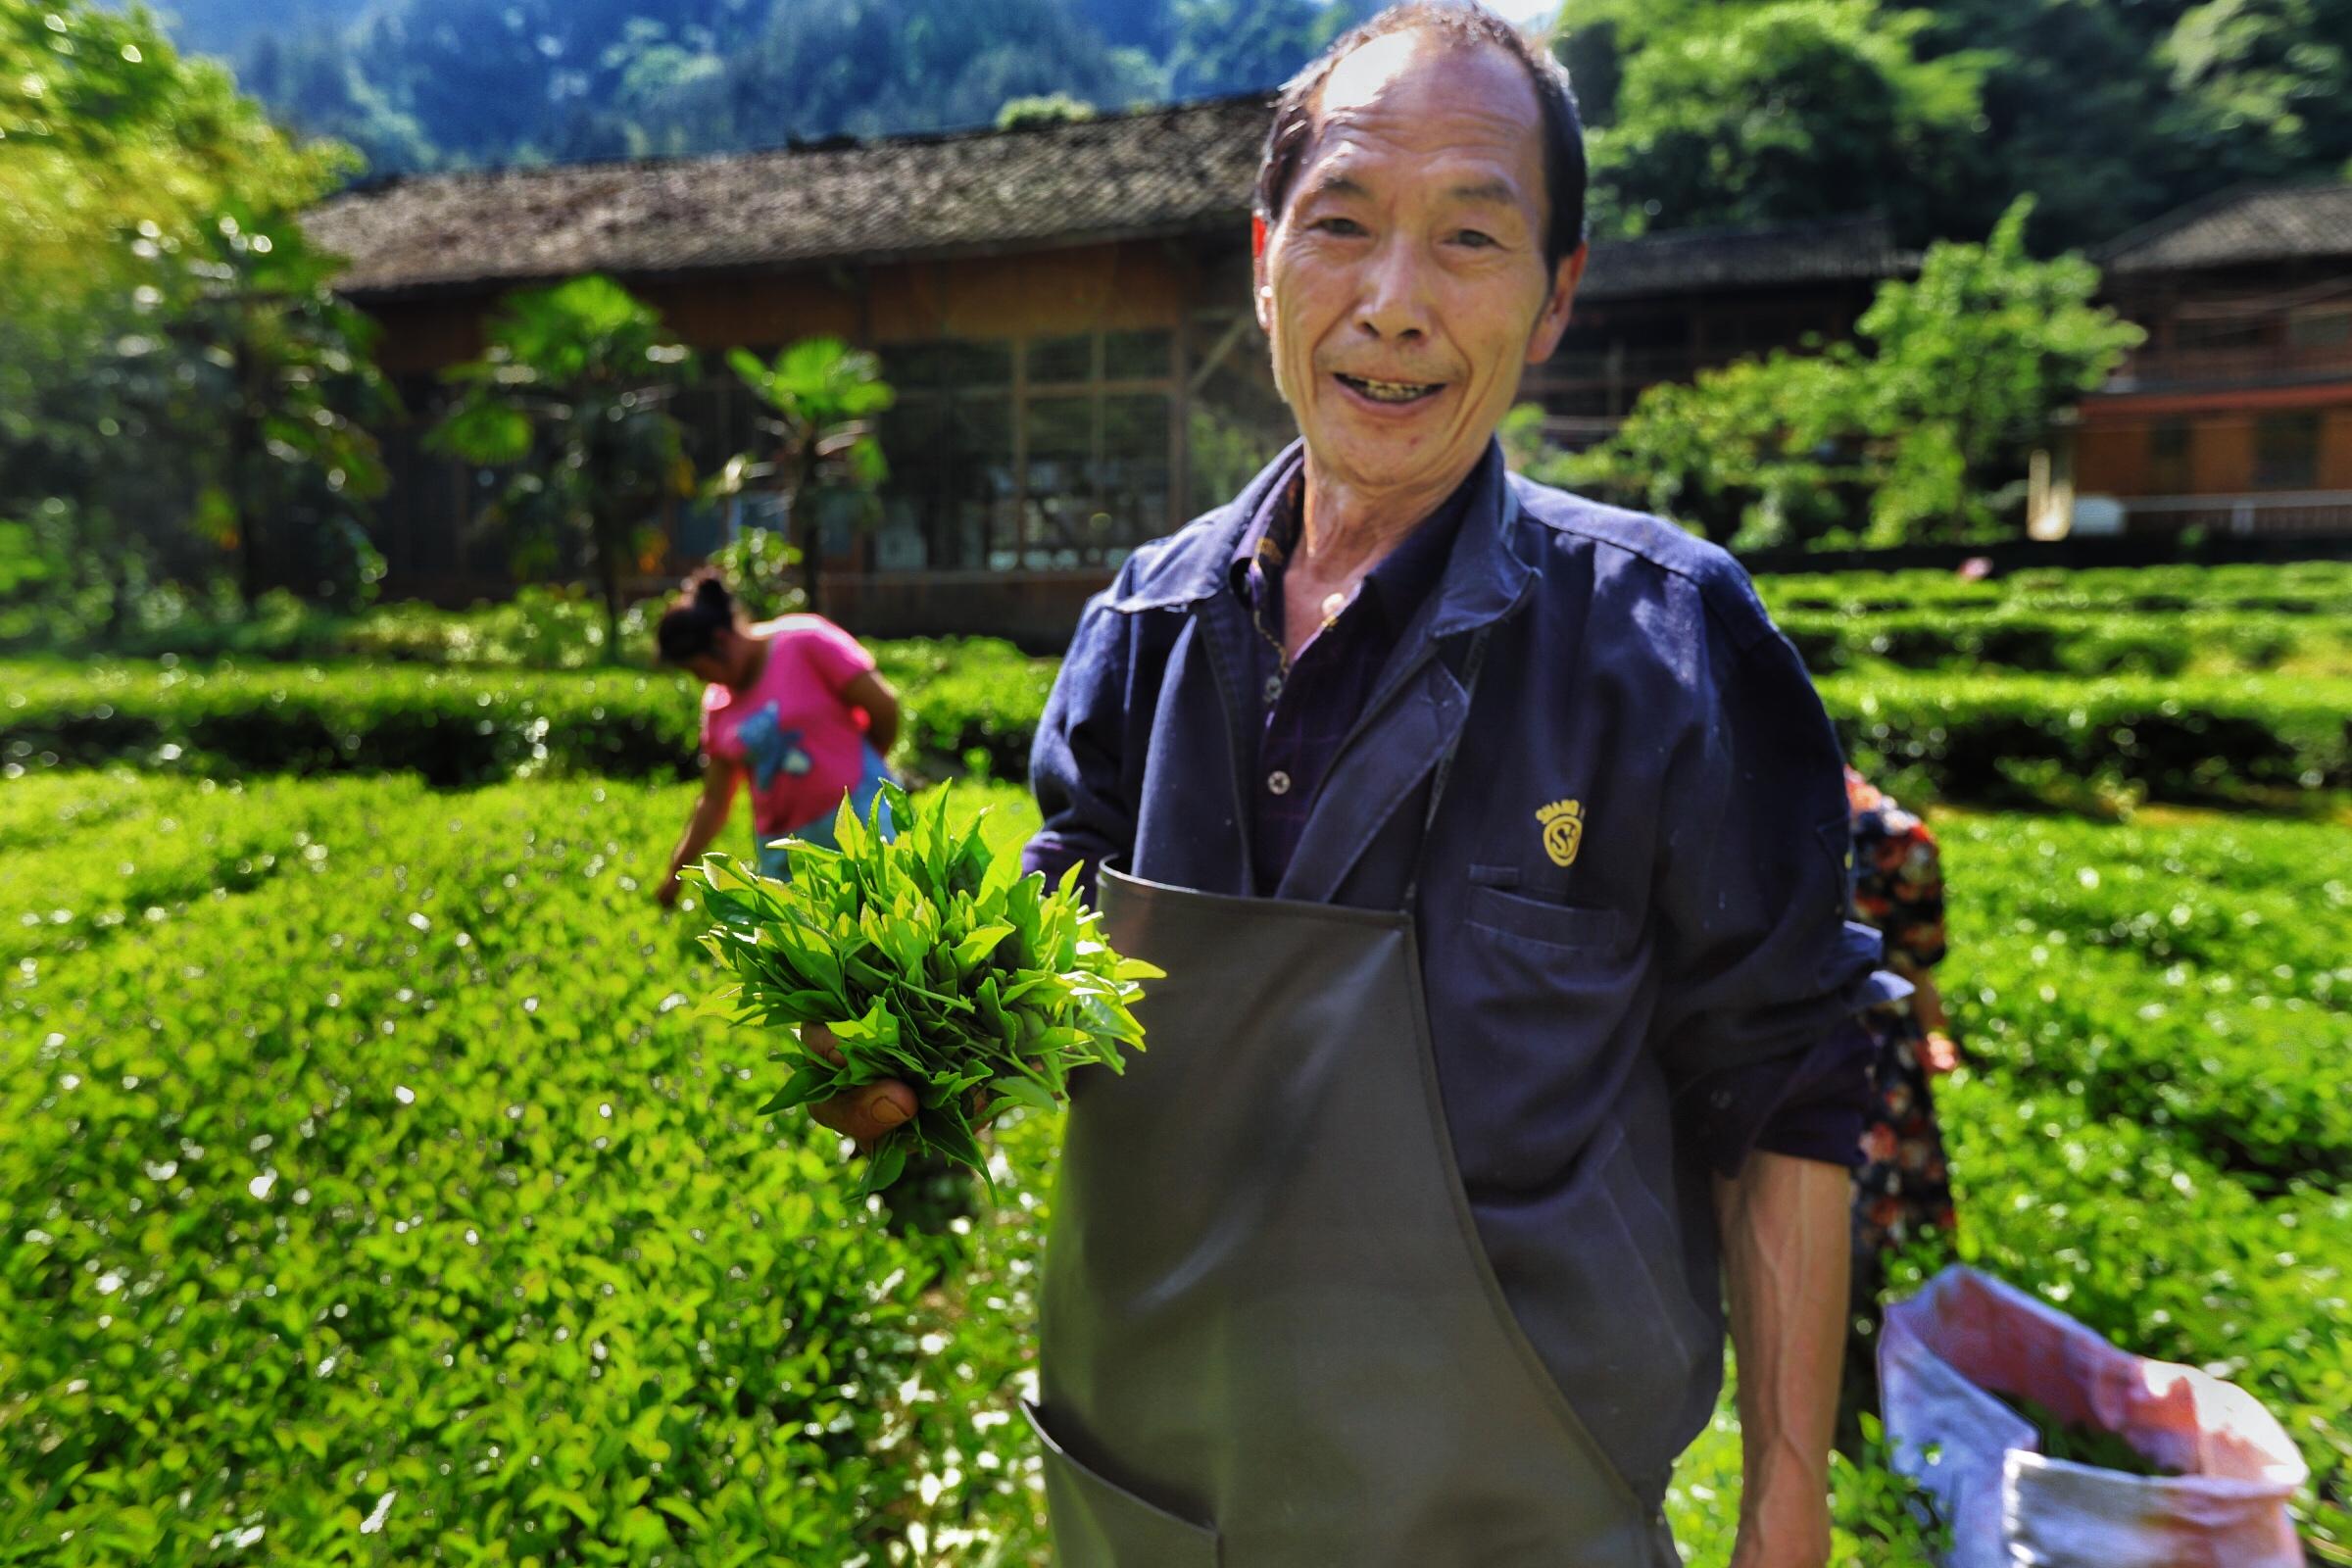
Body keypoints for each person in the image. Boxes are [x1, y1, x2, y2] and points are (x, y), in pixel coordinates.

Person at [807, 7, 1892, 1563]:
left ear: (1555, 296)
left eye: (1469, 237)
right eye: (1343, 227)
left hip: (1510, 1519)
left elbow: (1783, 1073)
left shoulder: (1664, 641)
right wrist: (926, 1063)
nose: (1392, 304)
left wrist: (1787, 1495)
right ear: (1265, 261)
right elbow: (1060, 934)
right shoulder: (1146, 626)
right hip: (1154, 1505)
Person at [1839, 766, 1962, 1447]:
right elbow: (1917, 961)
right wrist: (1933, 1030)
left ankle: (1846, 1389)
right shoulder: (1901, 838)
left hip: (1788, 1049)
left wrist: (1935, 1031)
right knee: (1860, 1227)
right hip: (1873, 1052)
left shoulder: (1747, 809)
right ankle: (1859, 1376)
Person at [652, 571, 899, 903]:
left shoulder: (804, 641)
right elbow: (714, 800)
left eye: (700, 669)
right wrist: (676, 870)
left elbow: (882, 706)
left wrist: (861, 765)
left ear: (722, 641)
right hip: (784, 849)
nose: (701, 680)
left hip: (862, 819)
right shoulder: (718, 705)